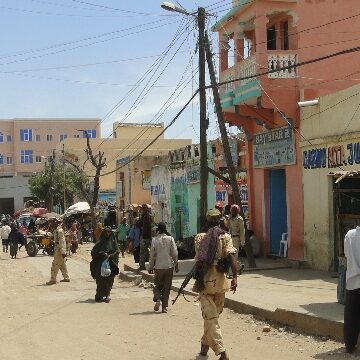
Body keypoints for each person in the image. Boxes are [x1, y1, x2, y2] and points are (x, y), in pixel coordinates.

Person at [194, 208, 238, 360]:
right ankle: (204, 348)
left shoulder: (200, 237)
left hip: (206, 284)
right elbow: (232, 256)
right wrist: (235, 277)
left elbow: (199, 260)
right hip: (221, 282)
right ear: (220, 220)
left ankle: (222, 353)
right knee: (212, 318)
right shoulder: (225, 236)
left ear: (206, 220)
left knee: (211, 319)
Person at [148, 222, 179, 313]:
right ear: (165, 229)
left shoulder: (154, 240)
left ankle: (157, 298)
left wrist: (150, 266)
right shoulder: (170, 239)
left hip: (158, 266)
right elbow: (174, 253)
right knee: (167, 287)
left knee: (157, 284)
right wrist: (176, 264)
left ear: (158, 230)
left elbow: (152, 255)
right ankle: (164, 307)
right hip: (169, 266)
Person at [90, 226, 120, 303]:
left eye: (109, 232)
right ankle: (99, 296)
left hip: (111, 263)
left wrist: (111, 255)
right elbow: (93, 252)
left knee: (109, 280)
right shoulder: (100, 242)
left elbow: (117, 251)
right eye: (106, 231)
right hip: (101, 264)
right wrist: (102, 253)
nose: (107, 233)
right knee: (101, 280)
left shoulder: (113, 241)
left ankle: (107, 295)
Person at [343, 225, 360, 353]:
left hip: (353, 281)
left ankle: (349, 345)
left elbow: (346, 255)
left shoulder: (349, 235)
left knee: (351, 316)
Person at [46, 220, 70, 285]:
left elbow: (62, 241)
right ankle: (66, 277)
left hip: (59, 249)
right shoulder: (55, 230)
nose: (52, 223)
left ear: (57, 223)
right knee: (62, 264)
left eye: (53, 222)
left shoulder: (59, 231)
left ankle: (53, 279)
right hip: (57, 247)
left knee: (55, 264)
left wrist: (63, 252)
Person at [227, 204, 245, 274]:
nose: (232, 212)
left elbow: (242, 231)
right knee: (229, 255)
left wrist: (242, 242)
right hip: (230, 238)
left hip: (236, 239)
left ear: (237, 211)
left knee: (234, 256)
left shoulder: (239, 219)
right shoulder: (230, 218)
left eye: (234, 211)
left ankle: (232, 272)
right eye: (232, 211)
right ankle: (239, 267)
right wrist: (228, 219)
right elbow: (227, 226)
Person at [138, 204, 152, 270]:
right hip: (145, 236)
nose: (143, 209)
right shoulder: (144, 216)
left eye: (144, 208)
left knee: (143, 251)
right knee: (145, 252)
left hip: (146, 236)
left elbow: (148, 226)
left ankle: (142, 266)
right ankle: (144, 265)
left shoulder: (147, 216)